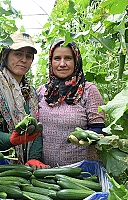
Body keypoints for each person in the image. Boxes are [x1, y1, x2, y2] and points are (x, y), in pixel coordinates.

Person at [0, 32, 47, 169]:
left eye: (28, 56)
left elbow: (37, 130)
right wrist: (11, 140)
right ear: (6, 55)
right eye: (18, 54)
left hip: (25, 169)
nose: (24, 60)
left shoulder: (31, 93)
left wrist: (33, 158)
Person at [37, 38, 106, 167]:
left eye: (68, 58)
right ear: (51, 62)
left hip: (82, 173)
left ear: (76, 61)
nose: (62, 63)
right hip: (46, 172)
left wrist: (86, 138)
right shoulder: (42, 92)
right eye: (57, 58)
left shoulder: (89, 91)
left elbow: (99, 130)